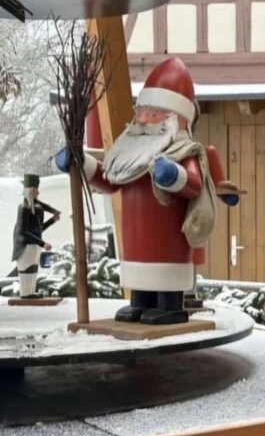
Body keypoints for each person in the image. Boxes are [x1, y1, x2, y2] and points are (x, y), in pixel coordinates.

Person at [56, 57, 217, 325]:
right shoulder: (127, 156)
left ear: (175, 119)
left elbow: (194, 185)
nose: (142, 120)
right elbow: (110, 179)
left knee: (165, 280)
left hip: (168, 243)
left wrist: (173, 175)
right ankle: (139, 303)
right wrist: (81, 164)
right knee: (141, 283)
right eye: (140, 112)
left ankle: (170, 306)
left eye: (152, 115)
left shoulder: (183, 151)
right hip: (135, 242)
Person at [11, 174, 60, 297]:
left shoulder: (35, 208)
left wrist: (52, 220)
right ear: (30, 191)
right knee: (26, 271)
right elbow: (23, 231)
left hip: (34, 246)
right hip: (25, 247)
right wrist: (42, 243)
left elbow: (38, 230)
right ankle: (26, 294)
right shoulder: (24, 208)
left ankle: (30, 293)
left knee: (33, 270)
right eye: (35, 190)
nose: (38, 192)